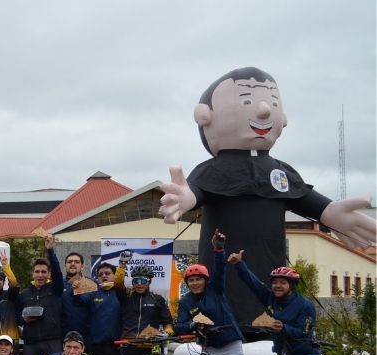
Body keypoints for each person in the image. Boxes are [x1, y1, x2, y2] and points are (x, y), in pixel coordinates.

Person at [160, 66, 376, 325]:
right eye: (248, 101)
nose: (264, 110)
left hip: (270, 276)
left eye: (272, 102)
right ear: (206, 116)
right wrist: (186, 198)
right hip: (222, 275)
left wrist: (332, 213)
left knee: (267, 300)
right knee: (223, 303)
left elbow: (307, 200)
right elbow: (196, 191)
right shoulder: (212, 171)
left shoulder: (280, 172)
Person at [17, 234, 64, 355]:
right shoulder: (24, 294)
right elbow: (17, 316)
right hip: (30, 343)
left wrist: (50, 251)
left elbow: (59, 275)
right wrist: (23, 320)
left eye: (44, 271)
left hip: (52, 340)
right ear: (32, 273)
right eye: (37, 271)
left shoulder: (55, 289)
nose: (40, 275)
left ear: (49, 273)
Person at [60, 252, 91, 339]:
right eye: (70, 262)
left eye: (76, 262)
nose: (73, 264)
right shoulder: (58, 285)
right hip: (63, 336)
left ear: (82, 266)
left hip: (86, 336)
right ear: (65, 265)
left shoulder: (91, 284)